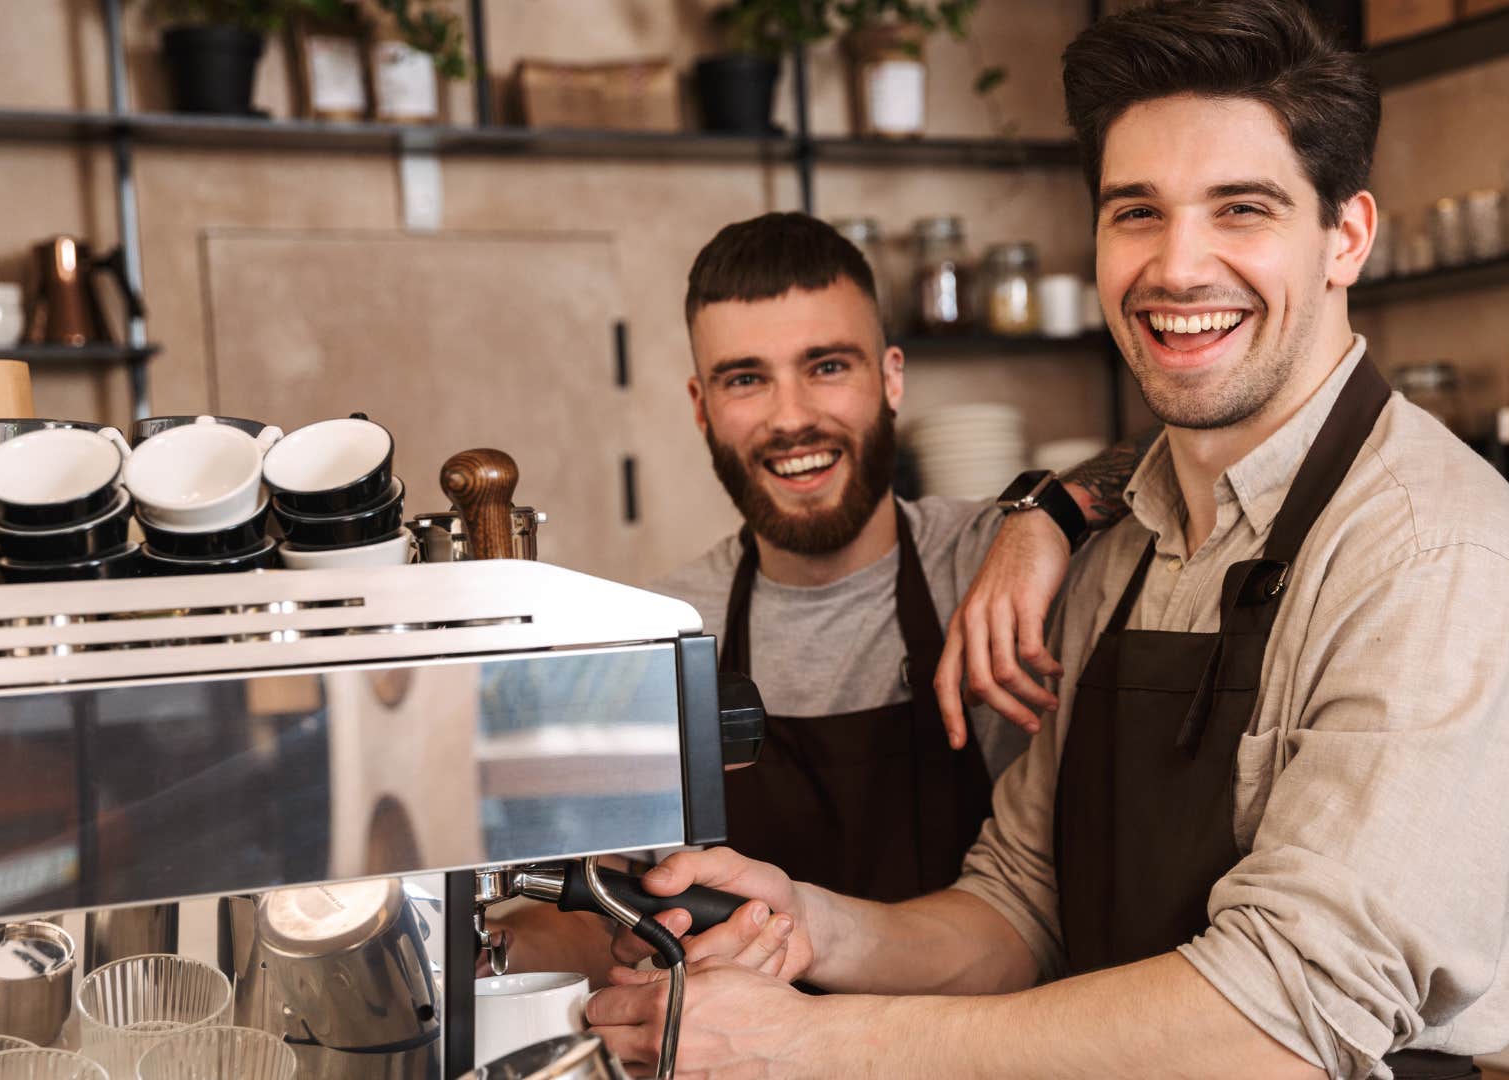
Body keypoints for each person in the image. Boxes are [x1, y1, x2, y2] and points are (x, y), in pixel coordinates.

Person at [585, 4, 1509, 1078]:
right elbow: (1023, 908)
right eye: (1137, 213)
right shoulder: (1119, 545)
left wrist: (812, 1042)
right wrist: (815, 926)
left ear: (1346, 235)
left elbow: (1288, 1014)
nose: (1178, 266)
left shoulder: (1434, 563)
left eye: (1241, 209)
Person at [488, 213, 1150, 986]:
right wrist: (483, 951)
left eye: (827, 366)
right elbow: (605, 915)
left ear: (892, 376)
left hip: (985, 1044)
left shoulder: (992, 562)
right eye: (746, 379)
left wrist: (1048, 518)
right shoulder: (659, 631)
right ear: (702, 406)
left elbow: (1183, 444)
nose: (791, 417)